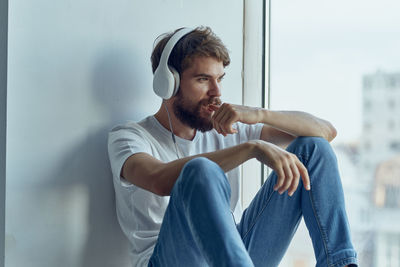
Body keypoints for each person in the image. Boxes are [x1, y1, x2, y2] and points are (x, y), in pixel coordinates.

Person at [108, 26, 358, 267]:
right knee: (200, 170)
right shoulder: (130, 137)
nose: (216, 92)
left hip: (234, 254)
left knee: (313, 148)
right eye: (203, 79)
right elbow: (157, 179)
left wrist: (259, 114)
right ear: (168, 83)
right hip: (172, 259)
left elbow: (326, 132)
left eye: (219, 79)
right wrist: (251, 148)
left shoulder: (228, 127)